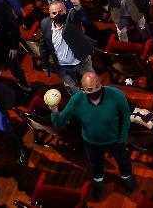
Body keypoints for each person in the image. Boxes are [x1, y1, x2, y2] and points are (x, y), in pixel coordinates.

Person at [50, 71, 137, 199]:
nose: (96, 90)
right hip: (91, 142)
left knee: (123, 161)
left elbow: (125, 117)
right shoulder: (77, 100)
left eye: (98, 86)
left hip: (116, 140)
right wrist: (54, 111)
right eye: (91, 89)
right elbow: (59, 123)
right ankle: (98, 181)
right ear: (83, 90)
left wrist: (122, 138)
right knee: (95, 164)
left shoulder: (116, 95)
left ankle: (126, 176)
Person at [39, 0, 94, 92]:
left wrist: (77, 5)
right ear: (49, 13)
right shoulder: (45, 24)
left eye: (60, 11)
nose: (58, 15)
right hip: (63, 67)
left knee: (92, 85)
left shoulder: (72, 20)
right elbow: (43, 45)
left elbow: (77, 14)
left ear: (66, 10)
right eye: (54, 13)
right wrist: (45, 64)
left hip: (82, 62)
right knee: (73, 90)